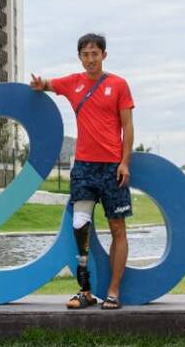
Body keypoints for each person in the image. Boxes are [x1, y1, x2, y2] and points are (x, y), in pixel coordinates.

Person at [30, 32, 134, 310]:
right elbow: (49, 84)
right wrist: (40, 84)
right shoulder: (73, 83)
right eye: (85, 54)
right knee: (80, 225)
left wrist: (125, 162)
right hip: (84, 167)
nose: (90, 59)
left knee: (117, 228)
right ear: (80, 57)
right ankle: (85, 290)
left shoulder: (119, 84)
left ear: (103, 55)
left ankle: (113, 291)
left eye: (95, 53)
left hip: (112, 167)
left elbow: (128, 126)